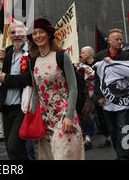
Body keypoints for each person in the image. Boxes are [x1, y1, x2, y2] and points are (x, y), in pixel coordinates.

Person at [21, 18, 84, 160]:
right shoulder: (32, 62)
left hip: (63, 116)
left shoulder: (62, 56)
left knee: (65, 155)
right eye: (34, 33)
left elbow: (73, 88)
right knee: (48, 156)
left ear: (49, 34)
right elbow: (36, 91)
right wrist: (33, 115)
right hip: (45, 119)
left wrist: (69, 116)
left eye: (41, 32)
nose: (38, 36)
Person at [0, 20, 31, 160]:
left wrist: (6, 79)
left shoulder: (32, 53)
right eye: (13, 32)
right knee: (13, 148)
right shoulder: (6, 51)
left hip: (23, 108)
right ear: (9, 35)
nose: (16, 35)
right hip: (6, 108)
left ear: (25, 33)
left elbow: (29, 79)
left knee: (13, 147)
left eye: (20, 32)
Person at [94, 28, 129, 160]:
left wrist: (114, 65)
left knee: (125, 128)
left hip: (123, 99)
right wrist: (99, 95)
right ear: (109, 41)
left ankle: (124, 156)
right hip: (107, 100)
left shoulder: (127, 56)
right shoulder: (100, 56)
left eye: (121, 39)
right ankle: (120, 153)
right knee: (112, 129)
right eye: (117, 39)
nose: (120, 42)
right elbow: (97, 77)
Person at [78, 46, 96, 150]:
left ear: (89, 53)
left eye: (83, 52)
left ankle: (107, 136)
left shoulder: (97, 63)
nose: (81, 55)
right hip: (84, 96)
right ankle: (87, 138)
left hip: (95, 95)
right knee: (86, 115)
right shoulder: (79, 65)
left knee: (101, 119)